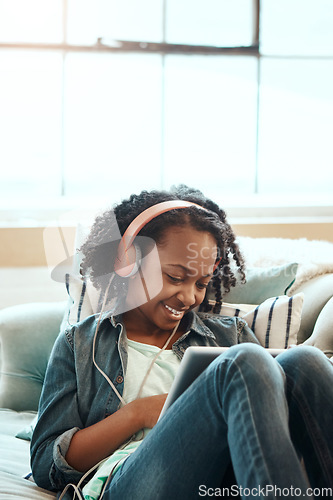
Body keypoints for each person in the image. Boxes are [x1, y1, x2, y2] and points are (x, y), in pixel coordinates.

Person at [30, 185, 333, 500]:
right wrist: (139, 413)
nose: (189, 297)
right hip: (130, 482)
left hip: (223, 480)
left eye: (201, 283)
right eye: (175, 277)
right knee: (243, 361)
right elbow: (45, 464)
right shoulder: (80, 343)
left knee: (305, 361)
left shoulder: (231, 335)